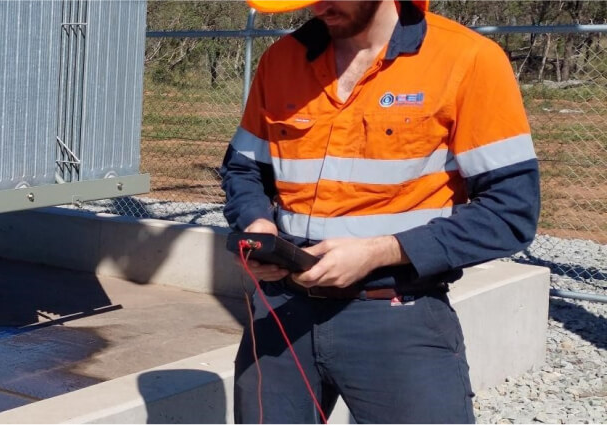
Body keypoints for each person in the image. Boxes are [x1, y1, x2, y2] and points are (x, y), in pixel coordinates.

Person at [219, 0, 541, 423]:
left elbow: (510, 213)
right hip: (281, 310)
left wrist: (380, 251)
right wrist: (258, 224)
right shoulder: (282, 61)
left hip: (396, 316)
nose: (317, 8)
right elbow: (243, 169)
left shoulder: (467, 60)